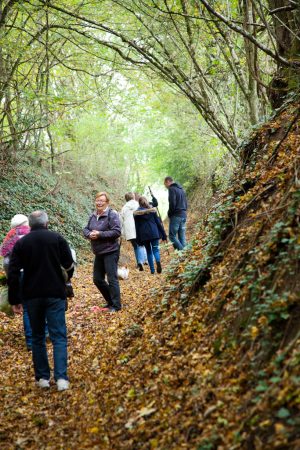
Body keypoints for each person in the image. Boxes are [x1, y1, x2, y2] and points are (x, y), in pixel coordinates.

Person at [7, 210, 74, 391]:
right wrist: (65, 280)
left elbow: (12, 272)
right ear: (47, 222)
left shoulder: (22, 243)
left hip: (32, 294)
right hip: (55, 293)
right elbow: (69, 264)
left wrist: (15, 299)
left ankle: (43, 378)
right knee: (58, 335)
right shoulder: (57, 238)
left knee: (37, 337)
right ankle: (61, 379)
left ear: (30, 224)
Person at [83, 192, 121, 312]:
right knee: (97, 279)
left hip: (111, 251)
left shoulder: (112, 214)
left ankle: (116, 305)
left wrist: (100, 234)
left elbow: (116, 232)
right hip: (98, 252)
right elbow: (85, 229)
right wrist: (89, 234)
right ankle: (111, 301)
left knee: (112, 278)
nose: (99, 203)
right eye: (97, 200)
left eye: (102, 201)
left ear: (107, 203)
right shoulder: (93, 215)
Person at [0, 214, 32, 350]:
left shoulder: (9, 238)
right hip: (34, 273)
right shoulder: (32, 235)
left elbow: (6, 262)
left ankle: (30, 340)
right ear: (26, 223)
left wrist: (11, 277)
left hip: (18, 274)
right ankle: (45, 332)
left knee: (26, 308)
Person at [134, 196, 167, 274]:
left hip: (144, 235)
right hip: (154, 233)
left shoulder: (137, 214)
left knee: (148, 251)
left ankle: (152, 270)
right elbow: (158, 223)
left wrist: (138, 239)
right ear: (147, 202)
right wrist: (164, 235)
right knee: (156, 250)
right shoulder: (153, 211)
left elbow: (137, 227)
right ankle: (158, 263)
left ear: (139, 204)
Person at [120, 192, 144, 271]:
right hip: (138, 227)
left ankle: (139, 262)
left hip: (129, 229)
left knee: (135, 245)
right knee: (140, 244)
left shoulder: (124, 208)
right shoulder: (138, 205)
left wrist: (122, 232)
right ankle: (140, 261)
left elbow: (121, 220)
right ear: (133, 197)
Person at [164, 176, 188, 251]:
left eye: (164, 184)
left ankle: (182, 252)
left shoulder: (171, 189)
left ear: (168, 181)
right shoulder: (181, 189)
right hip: (183, 214)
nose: (165, 186)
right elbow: (186, 203)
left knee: (172, 236)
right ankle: (185, 254)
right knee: (182, 236)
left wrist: (169, 213)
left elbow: (172, 203)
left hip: (176, 215)